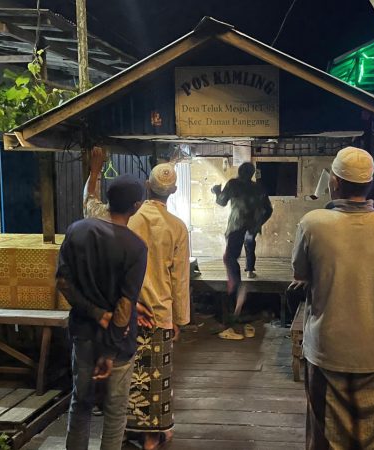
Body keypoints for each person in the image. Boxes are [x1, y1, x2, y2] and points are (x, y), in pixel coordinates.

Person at [291, 147, 374, 450]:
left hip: (326, 348)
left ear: (335, 182)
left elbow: (300, 273)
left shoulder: (313, 223)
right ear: (370, 184)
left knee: (325, 435)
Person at [83, 148, 191, 449]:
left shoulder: (124, 218)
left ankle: (123, 430)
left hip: (123, 310)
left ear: (147, 186)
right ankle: (151, 436)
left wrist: (94, 172)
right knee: (155, 377)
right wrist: (179, 319)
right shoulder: (177, 228)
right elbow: (180, 279)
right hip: (158, 312)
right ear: (173, 192)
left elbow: (89, 205)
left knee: (124, 375)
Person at [56, 173, 154, 450]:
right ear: (136, 207)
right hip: (118, 341)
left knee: (81, 402)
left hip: (83, 333)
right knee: (115, 411)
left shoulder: (76, 230)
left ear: (108, 199)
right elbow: (125, 304)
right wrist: (110, 352)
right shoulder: (135, 247)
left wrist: (96, 312)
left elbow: (63, 283)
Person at [211, 162, 273, 340]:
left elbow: (222, 202)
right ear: (252, 173)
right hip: (251, 226)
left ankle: (236, 285)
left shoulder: (233, 184)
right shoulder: (258, 188)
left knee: (229, 257)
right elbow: (269, 210)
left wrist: (216, 192)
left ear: (239, 172)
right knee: (250, 245)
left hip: (236, 225)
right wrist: (258, 223)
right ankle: (250, 270)